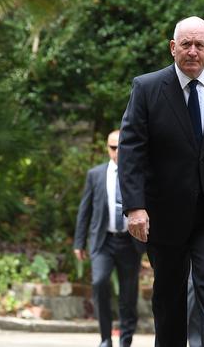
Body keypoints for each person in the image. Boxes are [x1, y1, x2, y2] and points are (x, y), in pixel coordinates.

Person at [117, 16, 204, 347]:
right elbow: (131, 150)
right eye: (186, 44)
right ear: (173, 48)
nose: (192, 51)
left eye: (199, 45)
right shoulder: (148, 87)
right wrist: (135, 207)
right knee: (169, 296)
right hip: (164, 214)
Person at [73, 129, 145, 347]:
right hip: (103, 241)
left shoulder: (137, 173)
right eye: (113, 147)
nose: (118, 152)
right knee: (99, 282)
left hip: (129, 242)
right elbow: (84, 210)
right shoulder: (95, 174)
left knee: (128, 295)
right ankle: (105, 338)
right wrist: (79, 241)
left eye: (122, 146)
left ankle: (126, 340)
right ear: (107, 148)